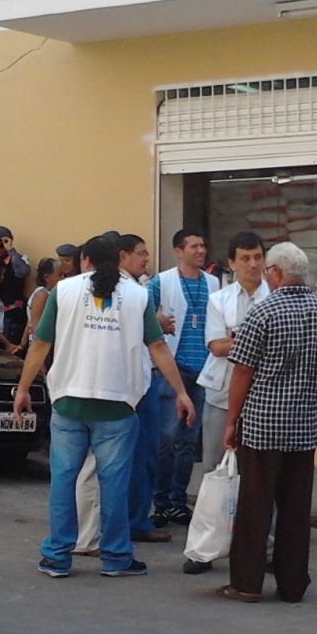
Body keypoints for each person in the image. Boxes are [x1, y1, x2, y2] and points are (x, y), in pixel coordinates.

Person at [11, 234, 195, 579]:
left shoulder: (63, 291)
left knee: (64, 479)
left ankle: (57, 556)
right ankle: (116, 556)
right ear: (118, 260)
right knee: (114, 483)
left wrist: (23, 389)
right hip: (118, 403)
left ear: (85, 261)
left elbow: (40, 344)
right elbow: (157, 347)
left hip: (69, 399)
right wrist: (181, 393)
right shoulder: (138, 296)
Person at [219, 241, 317, 604]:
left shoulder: (262, 312)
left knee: (255, 507)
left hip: (262, 425)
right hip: (302, 427)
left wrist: (231, 420)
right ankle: (292, 584)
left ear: (276, 273)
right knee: (295, 509)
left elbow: (243, 370)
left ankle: (247, 583)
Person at [189, 231, 270, 526]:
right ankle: (211, 536)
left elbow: (273, 345)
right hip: (221, 393)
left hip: (263, 396)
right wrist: (257, 340)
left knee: (260, 471)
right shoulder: (219, 300)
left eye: (257, 257)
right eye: (245, 258)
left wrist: (234, 335)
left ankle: (260, 537)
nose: (253, 264)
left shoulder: (274, 297)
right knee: (214, 466)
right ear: (232, 263)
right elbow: (216, 347)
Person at [147, 229, 218, 524]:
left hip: (202, 371)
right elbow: (141, 315)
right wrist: (158, 321)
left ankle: (178, 500)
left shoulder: (213, 283)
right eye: (193, 246)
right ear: (178, 251)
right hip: (171, 369)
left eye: (202, 245)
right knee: (166, 438)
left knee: (188, 441)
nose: (200, 251)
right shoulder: (161, 282)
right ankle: (160, 501)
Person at [119, 234, 170, 544]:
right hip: (134, 382)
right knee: (139, 455)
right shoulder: (133, 294)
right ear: (123, 256)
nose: (146, 258)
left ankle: (132, 519)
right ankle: (132, 521)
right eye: (141, 253)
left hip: (138, 378)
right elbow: (155, 344)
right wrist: (156, 323)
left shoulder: (136, 290)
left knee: (142, 454)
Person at [24, 257, 61, 347]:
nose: (63, 278)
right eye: (60, 275)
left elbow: (30, 321)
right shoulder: (42, 295)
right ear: (47, 277)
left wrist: (22, 343)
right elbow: (36, 326)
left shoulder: (48, 293)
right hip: (41, 346)